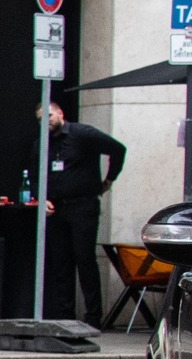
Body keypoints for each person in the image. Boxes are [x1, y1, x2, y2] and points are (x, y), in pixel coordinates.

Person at [40, 100, 127, 322]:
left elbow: (118, 149)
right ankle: (65, 316)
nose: (45, 122)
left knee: (85, 259)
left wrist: (109, 179)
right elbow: (35, 172)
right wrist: (41, 199)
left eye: (49, 116)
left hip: (83, 206)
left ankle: (93, 316)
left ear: (60, 113)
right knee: (61, 262)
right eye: (41, 119)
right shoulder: (42, 143)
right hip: (56, 209)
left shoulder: (82, 134)